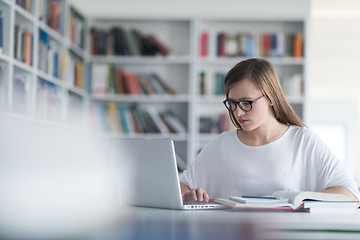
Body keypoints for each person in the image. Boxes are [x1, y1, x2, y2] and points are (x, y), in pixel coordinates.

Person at [179, 58, 360, 203]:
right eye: (232, 104)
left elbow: (350, 192)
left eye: (246, 103)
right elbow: (181, 186)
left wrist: (297, 198)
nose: (238, 112)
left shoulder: (303, 141)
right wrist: (189, 195)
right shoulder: (221, 144)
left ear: (271, 98)